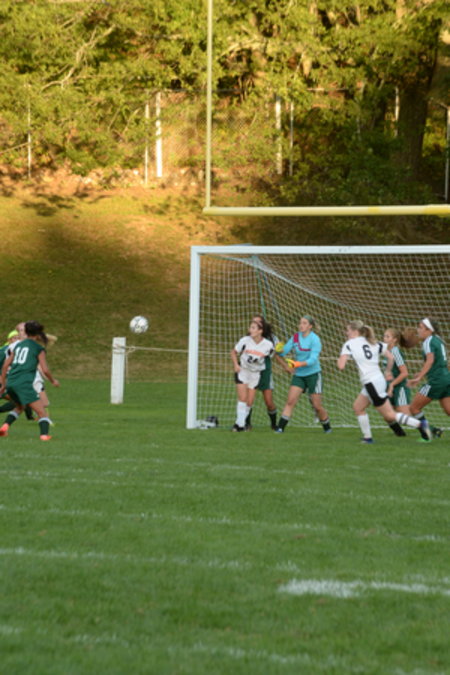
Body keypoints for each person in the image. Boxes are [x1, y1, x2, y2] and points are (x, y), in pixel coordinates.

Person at [337, 320, 431, 443]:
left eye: (348, 330)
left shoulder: (349, 344)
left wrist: (340, 359)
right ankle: (367, 438)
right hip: (377, 380)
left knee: (390, 415)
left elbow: (341, 366)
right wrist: (387, 371)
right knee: (358, 407)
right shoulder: (372, 341)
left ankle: (422, 425)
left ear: (355, 331)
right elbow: (390, 357)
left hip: (371, 383)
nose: (346, 333)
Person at [0, 321, 60, 441]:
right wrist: (53, 380)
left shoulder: (18, 346)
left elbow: (5, 365)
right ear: (38, 334)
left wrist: (3, 385)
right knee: (42, 412)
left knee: (20, 406)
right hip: (24, 384)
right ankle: (44, 435)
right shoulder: (38, 348)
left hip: (11, 382)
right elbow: (45, 369)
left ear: (26, 332)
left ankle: (4, 427)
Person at [275, 315, 331, 433]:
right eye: (300, 323)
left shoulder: (315, 339)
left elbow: (313, 359)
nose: (301, 325)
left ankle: (327, 428)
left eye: (304, 323)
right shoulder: (295, 337)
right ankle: (280, 428)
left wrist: (298, 364)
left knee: (317, 406)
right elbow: (283, 352)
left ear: (310, 326)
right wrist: (279, 349)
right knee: (290, 401)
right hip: (299, 375)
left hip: (313, 374)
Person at [244, 314, 291, 430]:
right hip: (250, 371)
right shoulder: (248, 338)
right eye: (253, 322)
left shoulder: (272, 338)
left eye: (258, 322)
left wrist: (285, 366)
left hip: (265, 371)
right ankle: (247, 424)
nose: (255, 324)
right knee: (248, 400)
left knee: (269, 402)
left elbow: (276, 354)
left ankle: (274, 424)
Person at [230, 318, 275, 431]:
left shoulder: (268, 345)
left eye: (253, 328)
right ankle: (240, 425)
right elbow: (233, 352)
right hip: (243, 371)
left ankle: (238, 424)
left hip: (255, 374)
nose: (250, 330)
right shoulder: (245, 340)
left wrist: (281, 351)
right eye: (250, 327)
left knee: (249, 402)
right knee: (243, 398)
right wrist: (236, 365)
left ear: (260, 331)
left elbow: (273, 354)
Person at [408, 318, 450, 428]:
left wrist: (419, 377)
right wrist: (421, 373)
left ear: (429, 330)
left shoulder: (428, 341)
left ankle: (429, 432)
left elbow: (430, 360)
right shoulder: (438, 339)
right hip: (446, 378)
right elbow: (437, 361)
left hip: (436, 381)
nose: (418, 330)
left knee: (414, 408)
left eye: (420, 328)